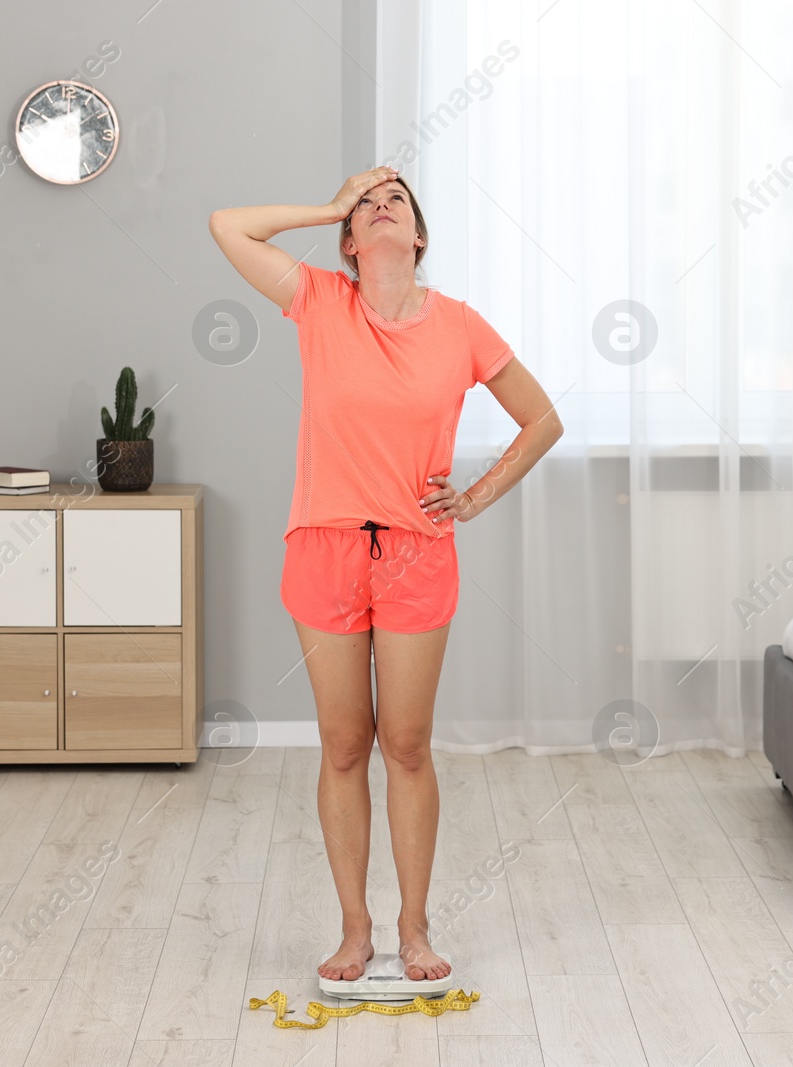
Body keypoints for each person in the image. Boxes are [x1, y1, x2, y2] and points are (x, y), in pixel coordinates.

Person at [208, 167, 562, 983]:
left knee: (405, 743)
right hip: (324, 547)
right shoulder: (320, 300)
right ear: (349, 240)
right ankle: (354, 928)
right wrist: (329, 203)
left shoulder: (461, 326)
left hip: (415, 552)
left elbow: (542, 418)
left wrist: (473, 496)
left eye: (395, 198)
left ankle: (413, 926)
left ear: (418, 235)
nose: (381, 203)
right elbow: (229, 223)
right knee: (343, 743)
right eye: (366, 202)